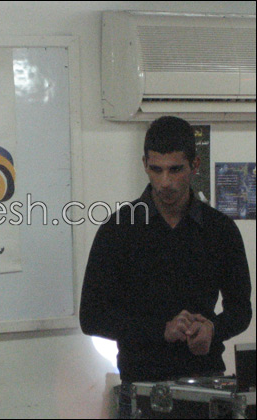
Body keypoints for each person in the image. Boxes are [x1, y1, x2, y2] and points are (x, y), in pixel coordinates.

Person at [79, 116, 252, 418]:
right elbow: (92, 317)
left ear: (195, 165)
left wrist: (213, 329)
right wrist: (162, 330)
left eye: (175, 169)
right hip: (141, 385)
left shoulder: (220, 230)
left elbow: (241, 310)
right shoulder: (118, 230)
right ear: (144, 164)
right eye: (156, 169)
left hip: (206, 382)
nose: (165, 182)